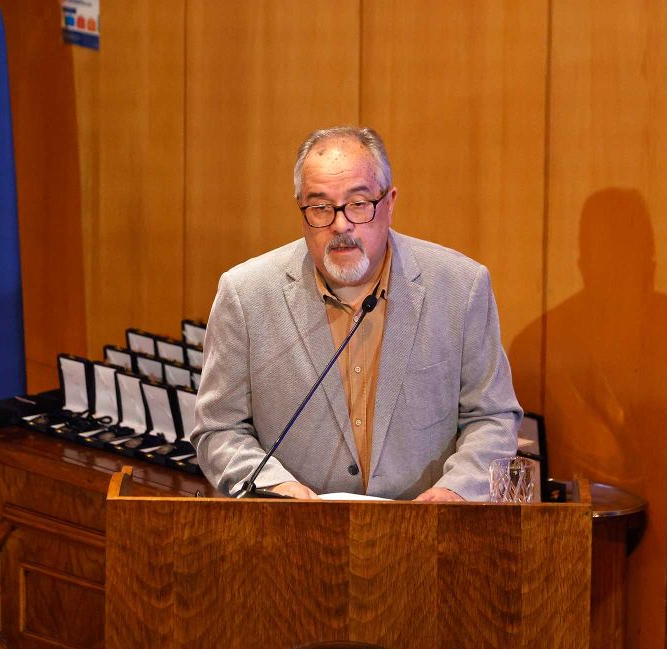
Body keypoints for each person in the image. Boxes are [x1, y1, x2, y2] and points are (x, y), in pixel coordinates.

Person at [190, 126, 521, 501]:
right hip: (295, 537)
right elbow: (218, 429)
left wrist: (454, 492)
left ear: (390, 202)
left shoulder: (462, 287)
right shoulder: (246, 294)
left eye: (359, 203)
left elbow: (492, 418)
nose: (341, 224)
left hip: (426, 537)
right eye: (320, 207)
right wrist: (275, 488)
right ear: (300, 207)